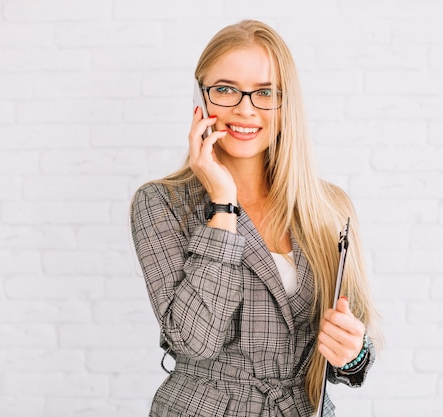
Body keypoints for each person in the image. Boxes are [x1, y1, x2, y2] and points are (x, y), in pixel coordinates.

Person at [130, 20, 381, 417]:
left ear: (285, 105)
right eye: (226, 89)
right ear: (201, 97)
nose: (245, 108)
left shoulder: (329, 206)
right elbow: (195, 341)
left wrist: (352, 353)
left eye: (265, 92)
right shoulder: (162, 203)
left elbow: (353, 338)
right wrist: (224, 203)